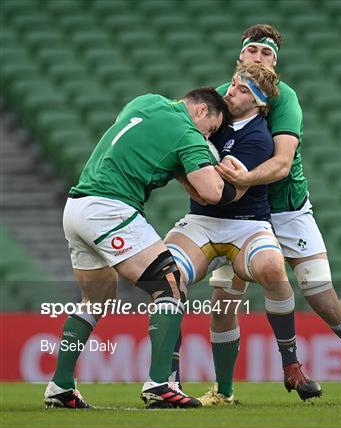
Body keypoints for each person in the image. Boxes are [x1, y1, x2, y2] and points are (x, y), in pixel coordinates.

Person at [192, 24, 341, 405]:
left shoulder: (283, 98)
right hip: (239, 215)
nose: (259, 57)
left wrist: (245, 178)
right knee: (223, 302)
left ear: (276, 62)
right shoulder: (222, 98)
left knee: (322, 298)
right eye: (253, 50)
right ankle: (223, 392)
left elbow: (282, 164)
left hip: (286, 209)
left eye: (267, 53)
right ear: (240, 56)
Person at [43, 87, 235, 409]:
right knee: (170, 286)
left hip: (77, 207)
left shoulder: (146, 101)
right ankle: (160, 385)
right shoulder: (188, 133)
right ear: (201, 111)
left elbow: (144, 147)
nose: (208, 136)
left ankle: (60, 386)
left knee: (96, 300)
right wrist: (232, 183)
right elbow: (210, 192)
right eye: (211, 129)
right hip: (110, 207)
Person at [166, 62, 322, 404]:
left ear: (258, 104)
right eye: (234, 84)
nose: (230, 91)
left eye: (240, 90)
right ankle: (169, 381)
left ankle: (291, 364)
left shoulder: (258, 138)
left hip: (247, 223)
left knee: (272, 268)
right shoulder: (213, 116)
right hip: (203, 222)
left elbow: (226, 193)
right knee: (166, 276)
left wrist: (188, 169)